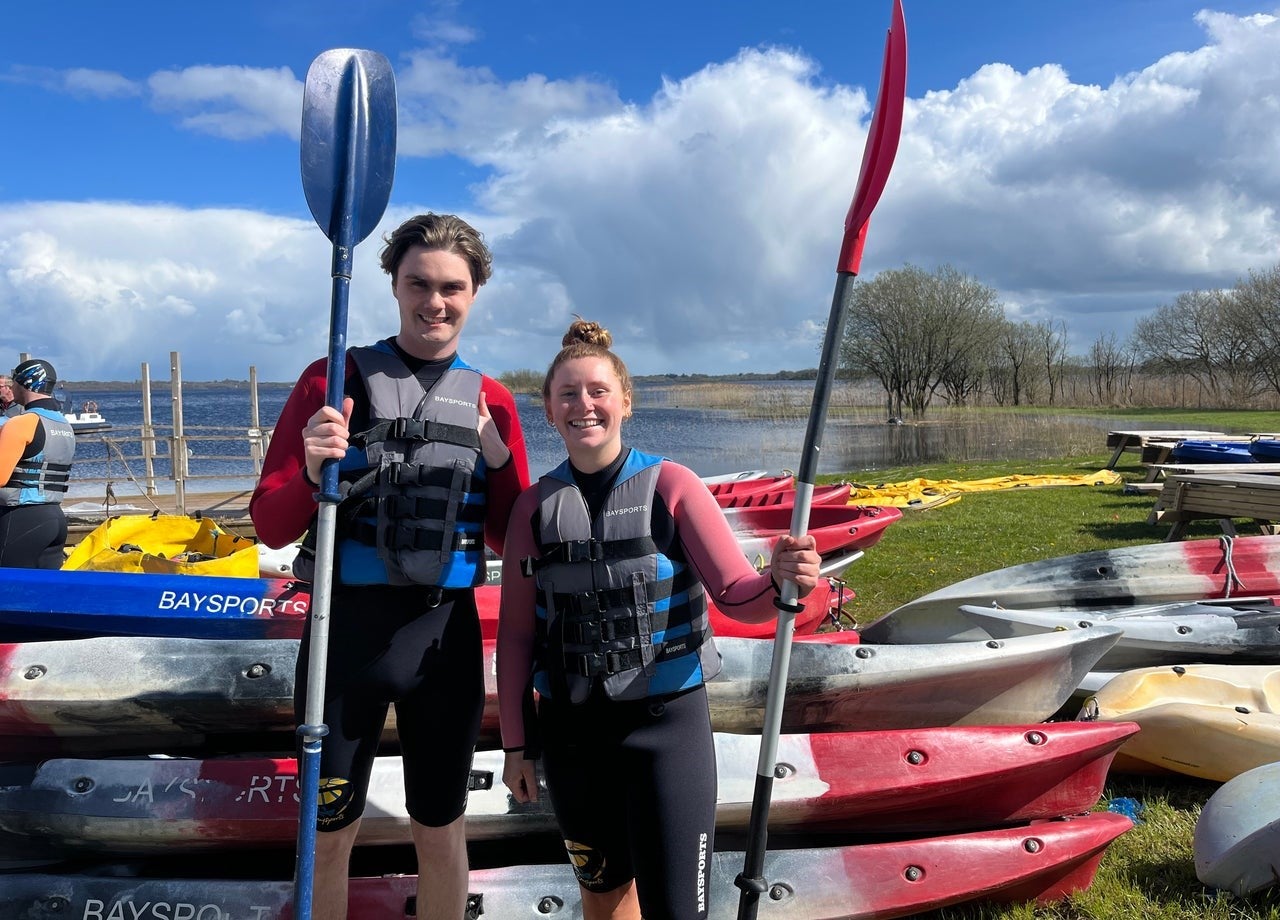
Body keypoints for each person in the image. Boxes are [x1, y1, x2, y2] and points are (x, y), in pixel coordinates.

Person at [249, 213, 530, 920]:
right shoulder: (331, 380)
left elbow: (511, 538)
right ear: (394, 286)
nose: (434, 301)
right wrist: (314, 470)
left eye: (451, 288)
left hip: (443, 641)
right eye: (418, 284)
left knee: (440, 830)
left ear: (475, 292)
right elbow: (269, 522)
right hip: (343, 638)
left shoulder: (493, 400)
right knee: (328, 834)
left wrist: (500, 464)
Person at [497, 320, 821, 920]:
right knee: (602, 896)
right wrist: (517, 744)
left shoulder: (671, 486)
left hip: (664, 730)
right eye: (567, 393)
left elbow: (737, 595)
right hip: (571, 735)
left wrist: (783, 579)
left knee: (678, 909)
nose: (583, 405)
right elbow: (517, 634)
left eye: (597, 391)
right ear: (546, 409)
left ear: (625, 401)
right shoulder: (533, 508)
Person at [0, 359, 75, 568]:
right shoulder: (63, 424)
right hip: (55, 518)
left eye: (14, 382)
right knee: (46, 594)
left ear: (26, 382)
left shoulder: (21, 423)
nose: (11, 387)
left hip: (21, 517)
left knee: (9, 593)